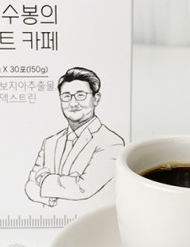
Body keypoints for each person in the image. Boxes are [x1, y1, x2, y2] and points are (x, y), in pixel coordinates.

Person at [25, 67, 125, 207]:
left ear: (96, 99)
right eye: (66, 96)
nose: (73, 103)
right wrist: (51, 199)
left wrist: (43, 179)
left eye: (80, 95)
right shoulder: (50, 143)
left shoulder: (111, 142)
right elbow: (30, 186)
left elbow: (83, 187)